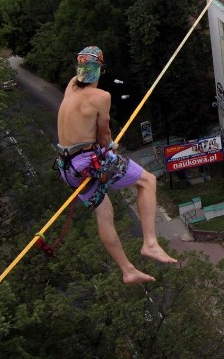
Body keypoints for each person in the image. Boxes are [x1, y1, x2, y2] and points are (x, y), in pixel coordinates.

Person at [57, 46, 176, 284]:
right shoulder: (102, 97)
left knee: (104, 213)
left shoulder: (71, 86)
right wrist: (110, 146)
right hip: (89, 162)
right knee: (147, 181)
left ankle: (127, 270)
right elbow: (103, 137)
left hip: (67, 167)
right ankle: (150, 243)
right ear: (100, 70)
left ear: (78, 69)